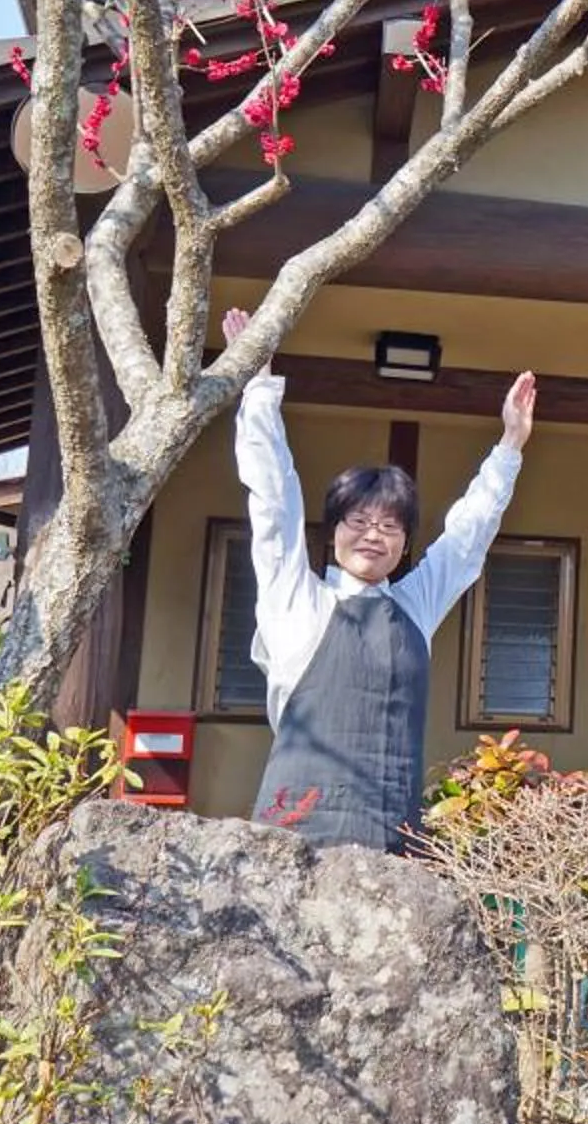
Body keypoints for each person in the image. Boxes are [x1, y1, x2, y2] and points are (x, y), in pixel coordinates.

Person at [222, 304, 536, 854]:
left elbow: (466, 540)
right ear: (333, 531)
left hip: (395, 839)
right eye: (359, 521)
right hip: (295, 840)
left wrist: (509, 447)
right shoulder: (295, 597)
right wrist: (259, 384)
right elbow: (273, 497)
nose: (373, 535)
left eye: (390, 526)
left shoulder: (414, 606)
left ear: (405, 542)